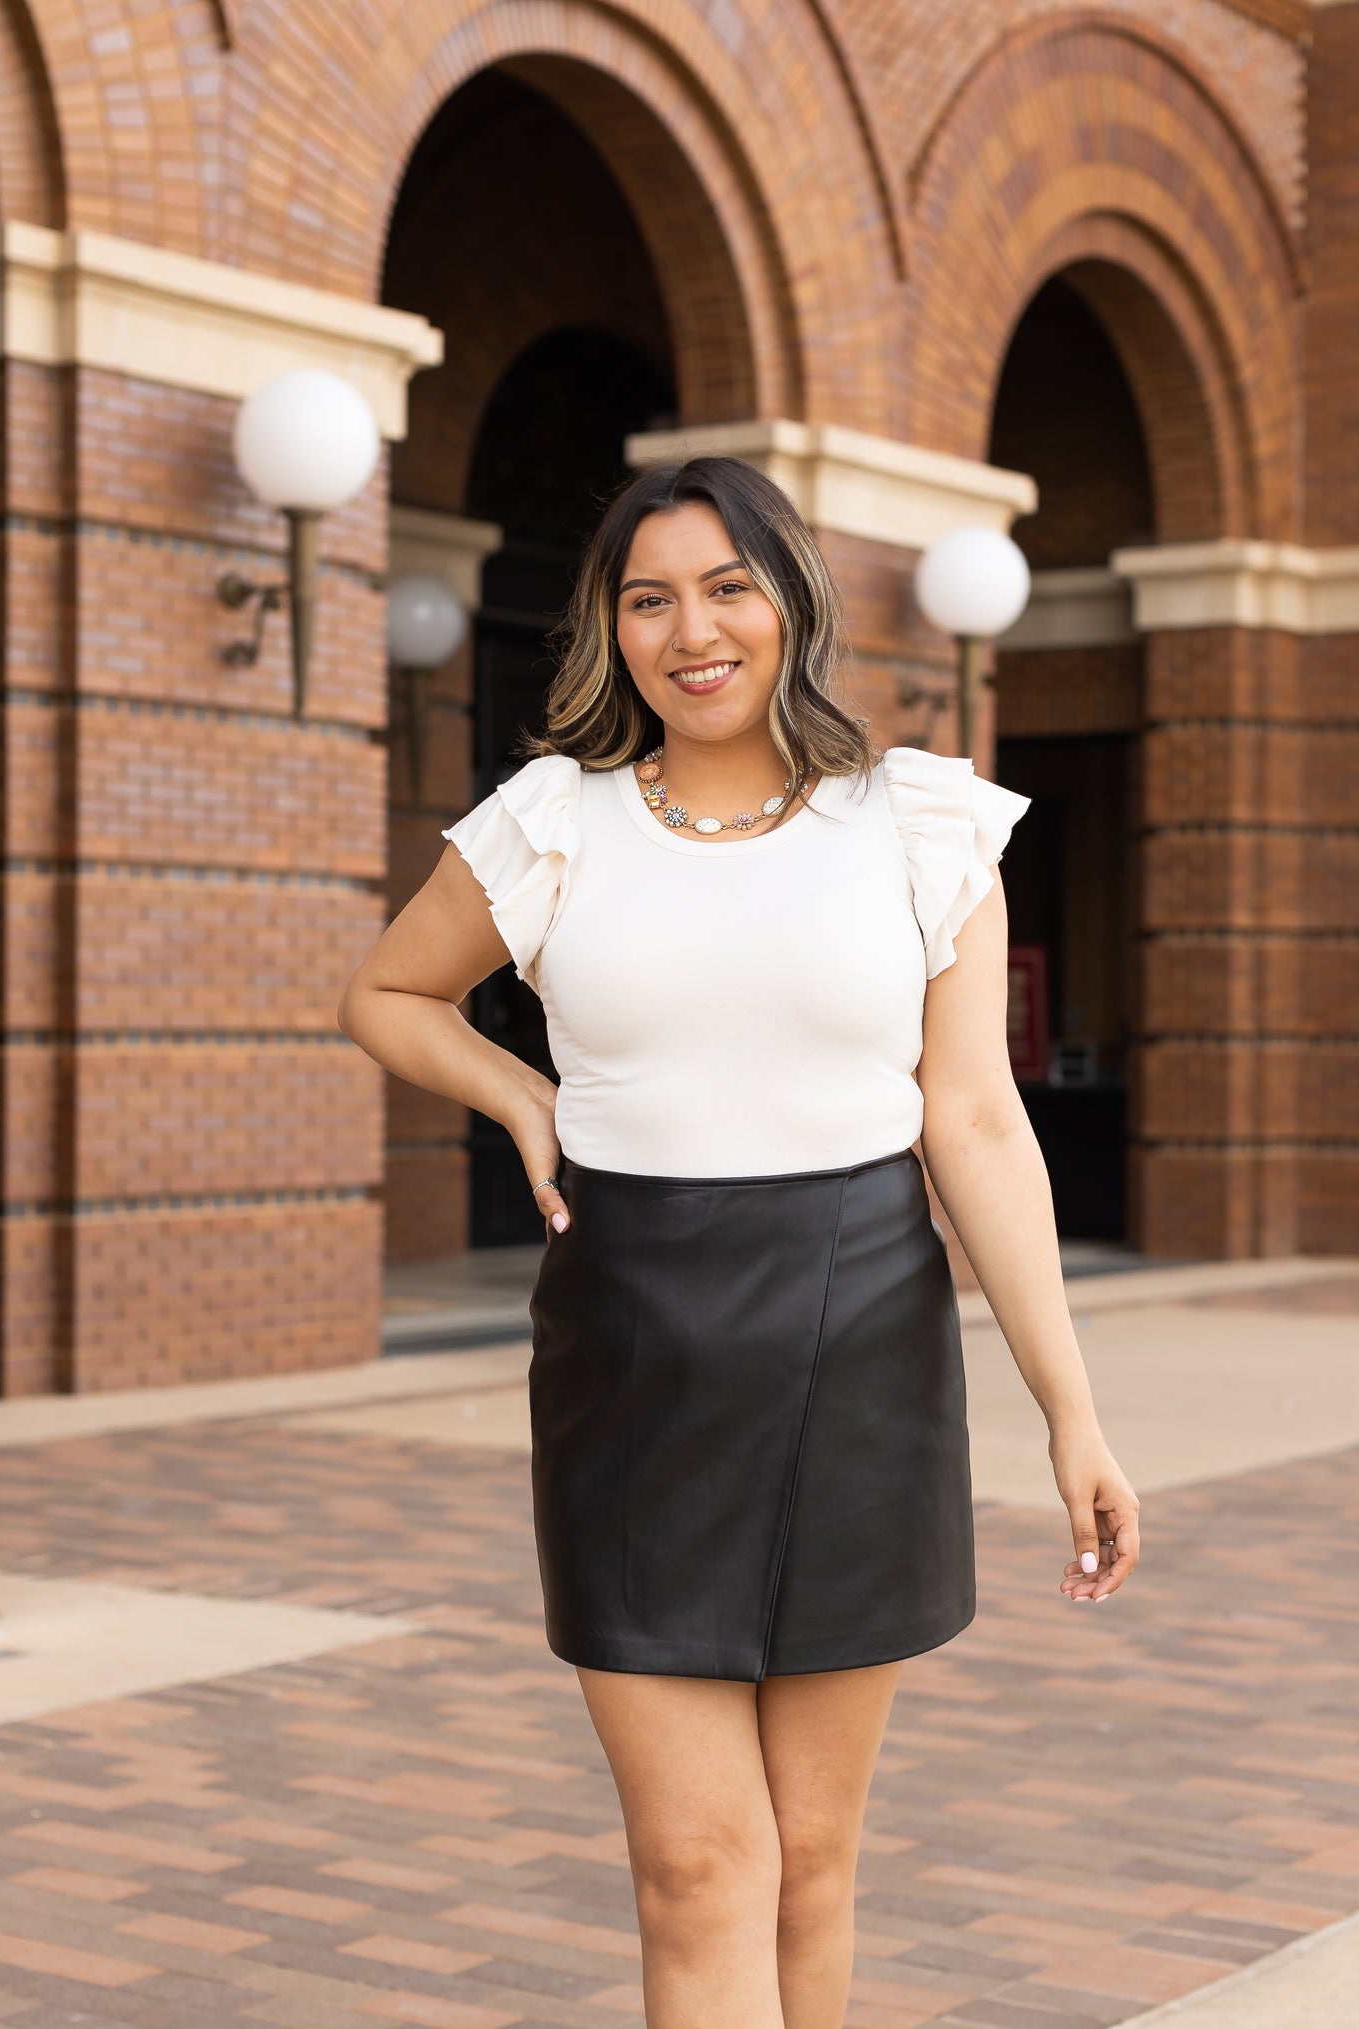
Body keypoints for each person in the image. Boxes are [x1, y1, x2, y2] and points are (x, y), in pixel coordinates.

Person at [338, 455, 1141, 2029]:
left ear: (790, 601)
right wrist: (516, 1090)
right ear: (612, 628)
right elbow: (383, 992)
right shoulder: (551, 823)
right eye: (648, 598)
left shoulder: (917, 825)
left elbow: (972, 1121)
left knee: (818, 1856)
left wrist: (1074, 1411)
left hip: (865, 1345)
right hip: (633, 1353)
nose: (689, 630)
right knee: (699, 1864)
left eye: (725, 587)